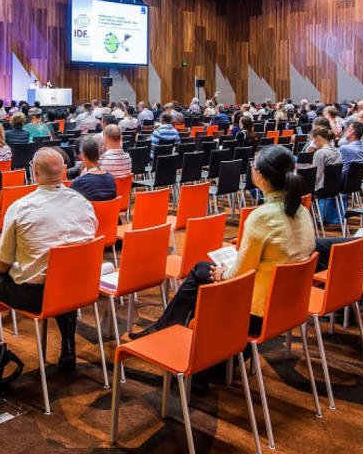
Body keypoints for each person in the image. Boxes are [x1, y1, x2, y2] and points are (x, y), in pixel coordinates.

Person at [138, 146, 315, 337]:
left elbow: (240, 274)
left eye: (253, 166)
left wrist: (223, 274)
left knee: (201, 271)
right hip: (290, 304)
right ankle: (182, 329)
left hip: (256, 312)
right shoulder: (302, 210)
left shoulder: (262, 217)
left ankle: (180, 332)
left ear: (260, 177)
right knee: (203, 269)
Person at [0, 148, 98, 370]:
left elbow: (2, 266)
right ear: (64, 172)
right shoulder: (83, 204)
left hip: (33, 296)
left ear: (34, 172)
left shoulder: (20, 208)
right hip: (78, 289)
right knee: (64, 271)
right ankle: (68, 344)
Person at [310, 127, 344, 227]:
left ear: (318, 138)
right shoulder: (337, 151)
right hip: (334, 189)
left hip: (321, 190)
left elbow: (318, 176)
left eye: (313, 139)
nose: (313, 142)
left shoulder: (320, 153)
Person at [69, 134, 118, 202]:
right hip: (111, 212)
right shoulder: (111, 179)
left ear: (83, 156)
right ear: (98, 154)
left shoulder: (79, 182)